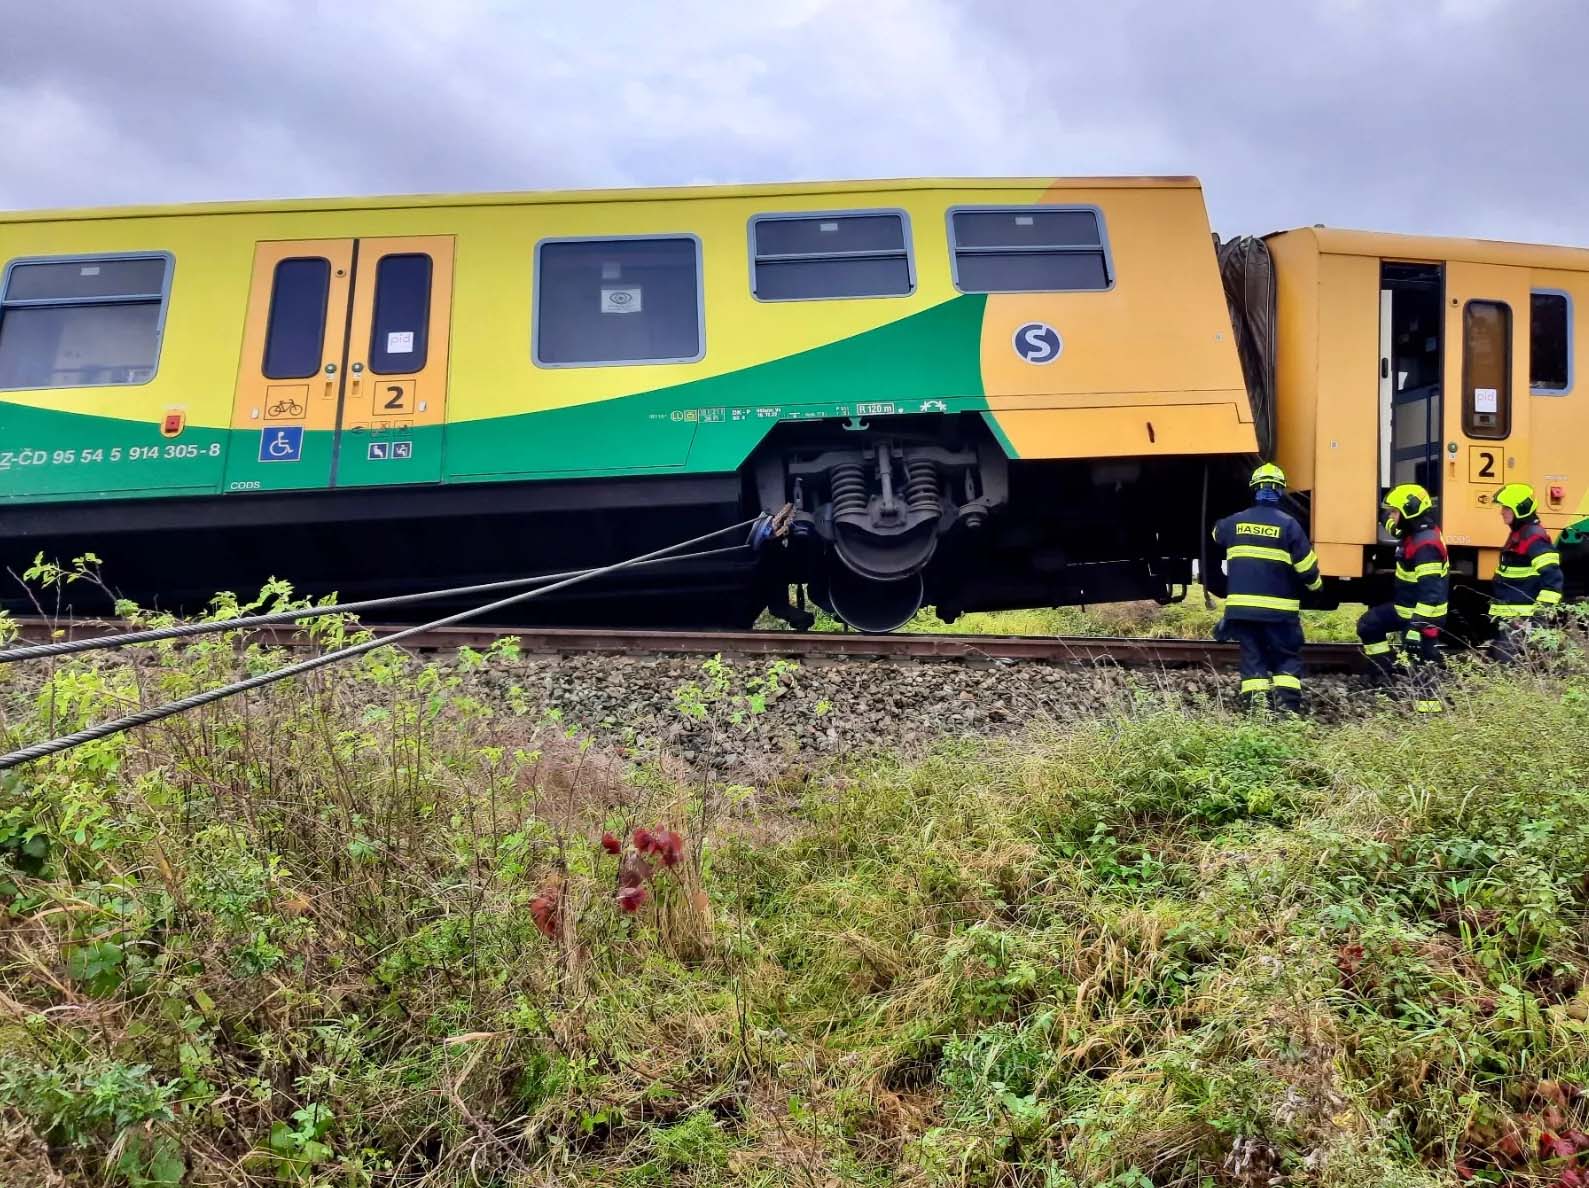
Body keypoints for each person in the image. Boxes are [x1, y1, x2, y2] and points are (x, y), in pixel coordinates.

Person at [1210, 462, 1322, 712]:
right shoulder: (1290, 525)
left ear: (1254, 490)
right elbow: (1307, 569)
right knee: (1286, 658)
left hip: (1243, 612)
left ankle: (1256, 711)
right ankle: (1287, 710)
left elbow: (1217, 533)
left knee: (1253, 659)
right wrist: (1317, 589)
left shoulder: (1236, 522)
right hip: (1279, 613)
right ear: (1280, 492)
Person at [1355, 483, 1447, 714]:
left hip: (1424, 616)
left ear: (1409, 513)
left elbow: (1430, 593)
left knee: (1422, 663)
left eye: (1396, 512)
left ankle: (1428, 715)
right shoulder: (1411, 531)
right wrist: (1379, 509)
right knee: (1369, 625)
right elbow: (1392, 525)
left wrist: (1417, 626)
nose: (1393, 517)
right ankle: (1385, 678)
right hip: (1405, 609)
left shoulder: (1426, 545)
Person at [1489, 482, 1565, 662]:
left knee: (1510, 667)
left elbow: (1553, 579)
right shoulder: (1521, 533)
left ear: (1519, 509)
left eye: (1506, 508)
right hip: (1513, 617)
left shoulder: (1533, 536)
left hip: (1523, 619)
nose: (1502, 512)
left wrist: (1538, 616)